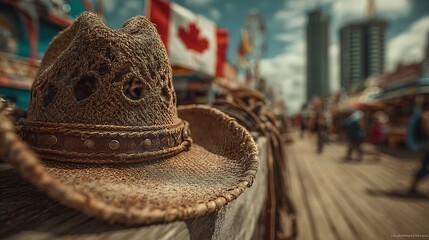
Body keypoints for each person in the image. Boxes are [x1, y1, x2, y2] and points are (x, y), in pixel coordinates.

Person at [408, 110, 429, 194]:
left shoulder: (424, 115)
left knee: (424, 165)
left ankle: (413, 186)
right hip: (427, 144)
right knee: (425, 166)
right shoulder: (426, 115)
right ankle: (413, 186)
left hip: (425, 144)